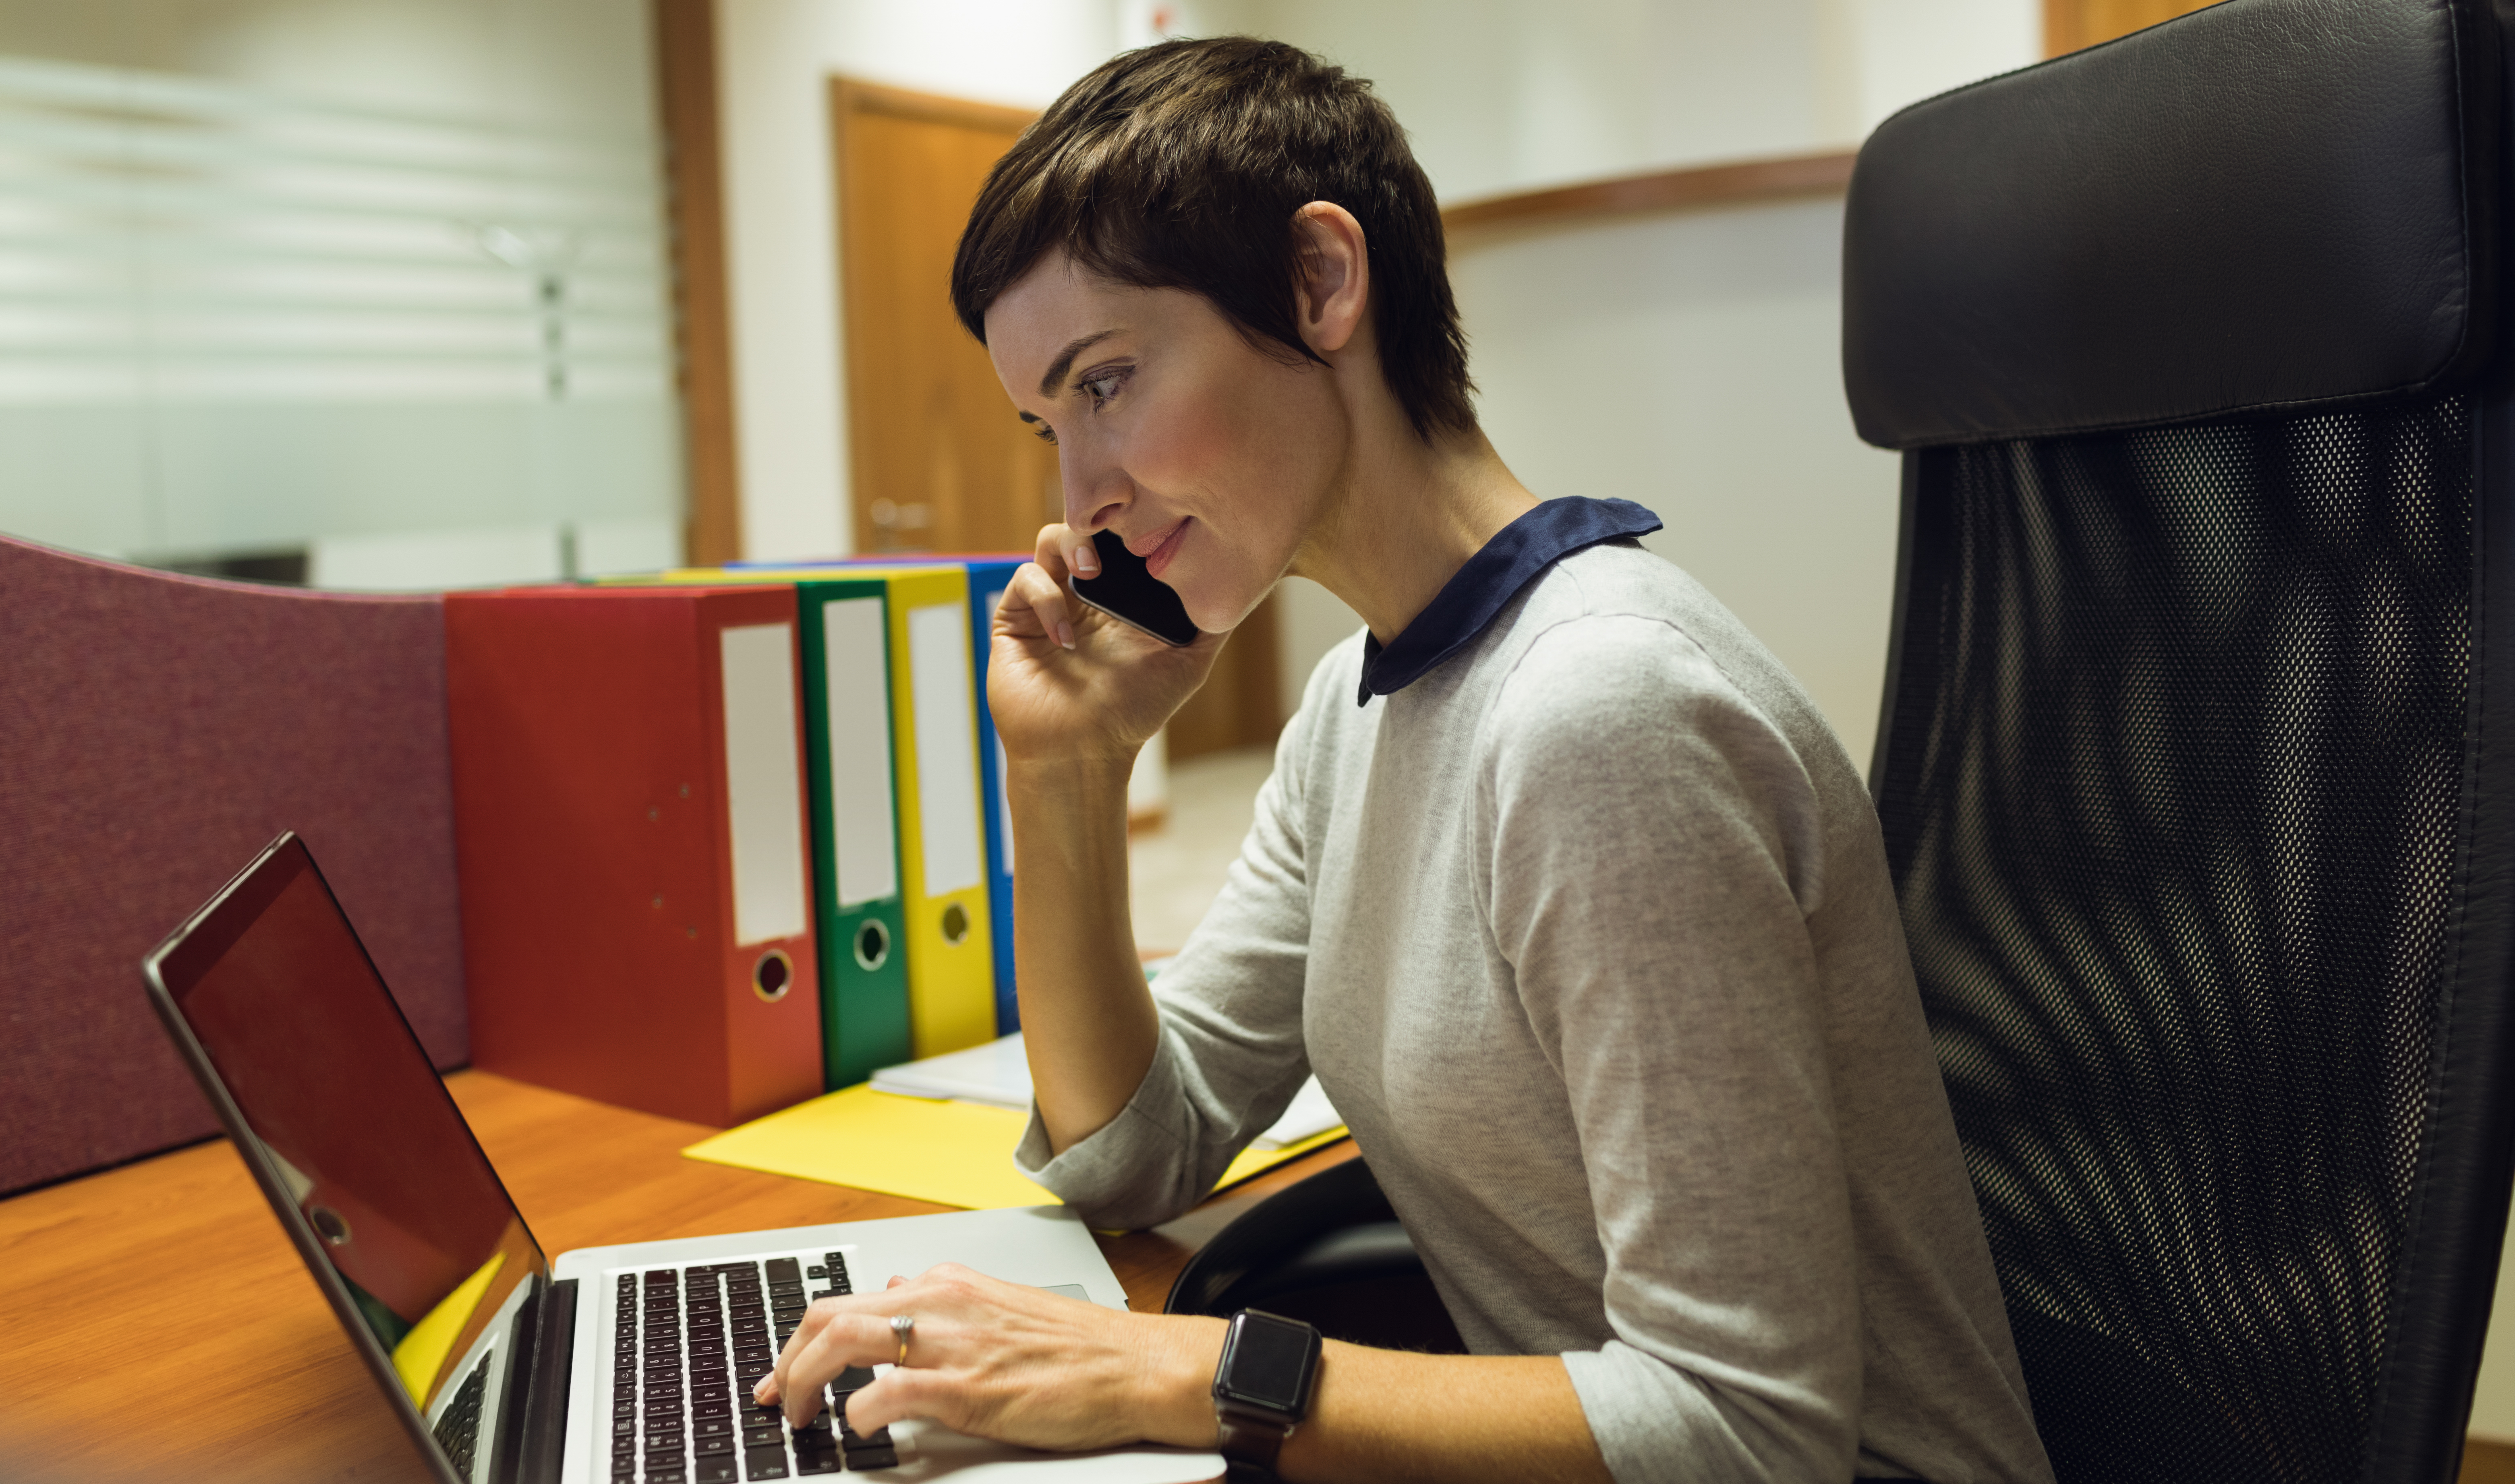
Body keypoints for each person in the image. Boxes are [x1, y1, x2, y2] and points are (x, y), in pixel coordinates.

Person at [756, 36, 2054, 1484]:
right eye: (1048, 424)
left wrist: (1177, 1370)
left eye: (1108, 382)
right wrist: (1064, 771)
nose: (1083, 498)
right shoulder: (1355, 712)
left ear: (1321, 285)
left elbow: (1750, 1431)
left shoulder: (1601, 715)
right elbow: (1131, 1153)